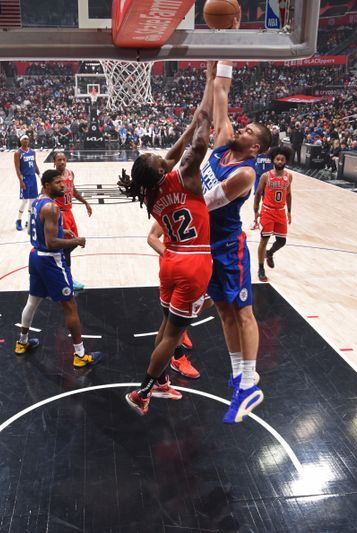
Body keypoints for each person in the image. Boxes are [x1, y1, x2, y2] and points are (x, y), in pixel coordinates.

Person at [119, 100, 213, 416]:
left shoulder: (150, 191)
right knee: (173, 336)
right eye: (158, 159)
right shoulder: (184, 175)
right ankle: (143, 392)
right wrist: (206, 117)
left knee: (166, 326)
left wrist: (197, 114)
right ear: (162, 170)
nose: (163, 157)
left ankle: (158, 384)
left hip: (170, 262)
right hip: (193, 262)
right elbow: (198, 144)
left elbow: (173, 154)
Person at [200, 57, 269, 423]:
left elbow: (206, 203)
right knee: (224, 313)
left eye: (249, 133)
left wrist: (170, 201)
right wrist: (222, 51)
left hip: (229, 247)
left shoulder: (245, 173)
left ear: (255, 148)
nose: (242, 130)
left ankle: (249, 384)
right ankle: (238, 374)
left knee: (243, 312)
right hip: (209, 246)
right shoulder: (225, 140)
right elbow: (221, 93)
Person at [15, 169, 102, 368]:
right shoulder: (53, 208)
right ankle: (80, 355)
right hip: (50, 261)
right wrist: (75, 240)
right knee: (70, 305)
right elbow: (52, 242)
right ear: (46, 185)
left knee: (32, 301)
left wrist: (64, 230)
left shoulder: (38, 201)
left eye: (63, 182)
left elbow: (41, 227)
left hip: (35, 256)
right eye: (57, 182)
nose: (63, 185)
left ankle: (22, 342)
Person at [146, 221, 204, 380]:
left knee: (208, 302)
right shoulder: (172, 204)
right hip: (178, 269)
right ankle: (177, 359)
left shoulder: (198, 204)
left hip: (195, 265)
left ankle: (181, 331)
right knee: (171, 326)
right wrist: (172, 257)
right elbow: (152, 236)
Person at [253, 146, 294, 283]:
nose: (280, 161)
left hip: (281, 211)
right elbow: (258, 194)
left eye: (282, 159)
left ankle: (269, 253)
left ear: (286, 161)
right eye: (278, 159)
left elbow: (288, 194)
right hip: (267, 211)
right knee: (264, 240)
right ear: (273, 160)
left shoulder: (289, 176)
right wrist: (255, 212)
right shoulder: (266, 176)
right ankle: (260, 268)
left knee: (282, 241)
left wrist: (289, 211)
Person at [53, 151, 92, 291]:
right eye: (59, 160)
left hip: (69, 212)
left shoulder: (70, 173)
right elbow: (45, 194)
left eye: (63, 159)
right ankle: (67, 278)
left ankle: (63, 273)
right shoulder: (53, 177)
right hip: (59, 214)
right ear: (54, 162)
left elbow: (73, 191)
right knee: (66, 245)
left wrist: (85, 202)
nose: (62, 162)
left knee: (72, 244)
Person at [14, 134, 40, 231]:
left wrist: (40, 175)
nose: (26, 140)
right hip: (25, 178)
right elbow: (17, 169)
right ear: (20, 141)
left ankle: (29, 221)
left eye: (27, 139)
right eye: (24, 139)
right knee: (24, 201)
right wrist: (21, 181)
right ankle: (19, 220)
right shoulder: (18, 153)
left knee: (32, 201)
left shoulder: (32, 152)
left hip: (33, 177)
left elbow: (34, 164)